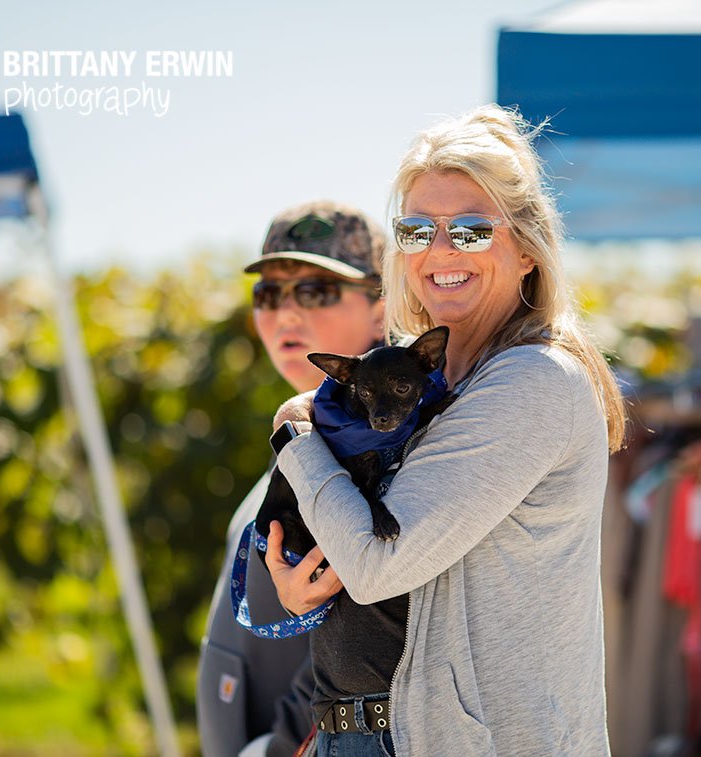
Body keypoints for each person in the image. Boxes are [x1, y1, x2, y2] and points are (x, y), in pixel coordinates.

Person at [265, 105, 627, 756]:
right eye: (414, 230)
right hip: (364, 731)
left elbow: (379, 562)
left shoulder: (533, 382)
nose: (437, 252)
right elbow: (354, 549)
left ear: (525, 249)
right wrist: (302, 579)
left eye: (468, 231)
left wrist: (295, 436)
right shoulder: (424, 382)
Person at [197, 200, 387, 757]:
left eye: (316, 291)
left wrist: (277, 747)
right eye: (269, 293)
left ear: (383, 307)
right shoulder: (316, 426)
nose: (285, 313)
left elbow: (373, 623)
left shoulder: (377, 444)